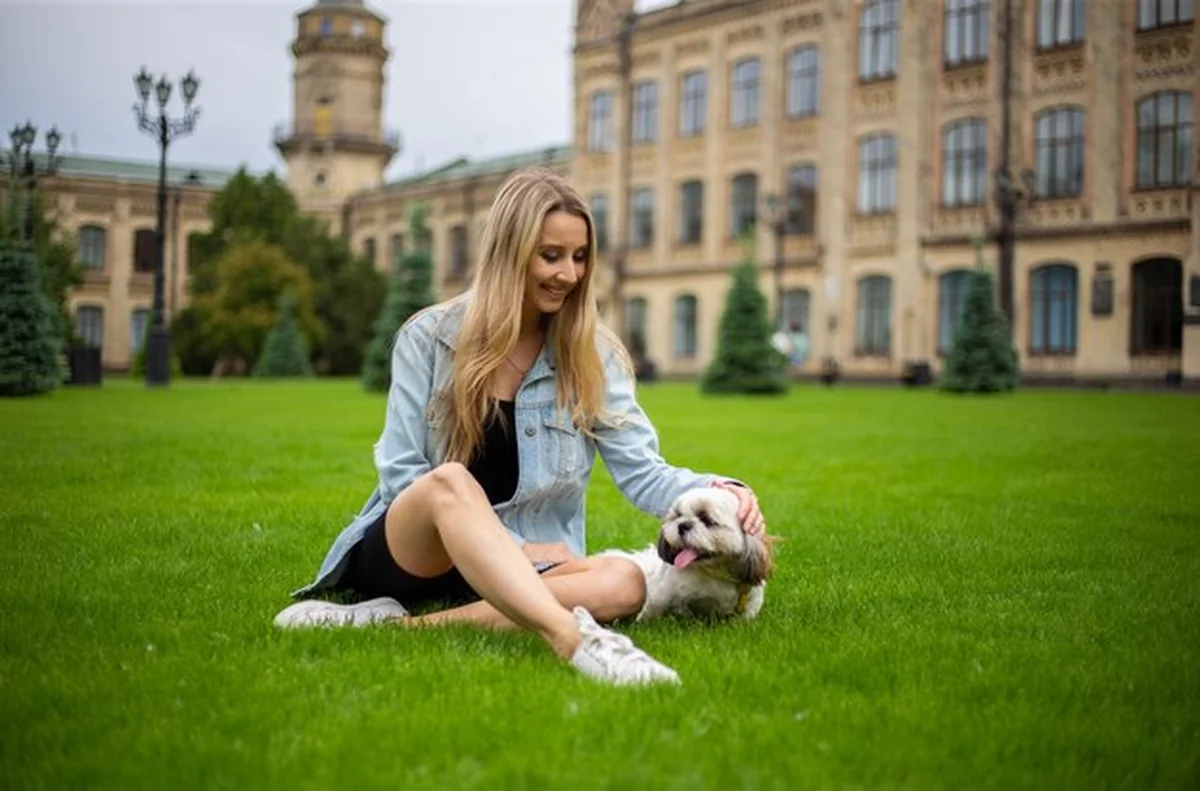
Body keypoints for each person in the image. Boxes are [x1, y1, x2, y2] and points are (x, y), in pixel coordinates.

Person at [274, 168, 765, 687]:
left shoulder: (593, 356)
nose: (569, 275)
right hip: (419, 552)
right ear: (509, 252)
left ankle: (400, 627)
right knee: (448, 482)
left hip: (529, 573)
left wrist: (718, 488)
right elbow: (401, 475)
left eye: (579, 258)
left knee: (626, 582)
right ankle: (575, 640)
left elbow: (643, 472)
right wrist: (518, 549)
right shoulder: (428, 338)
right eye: (550, 255)